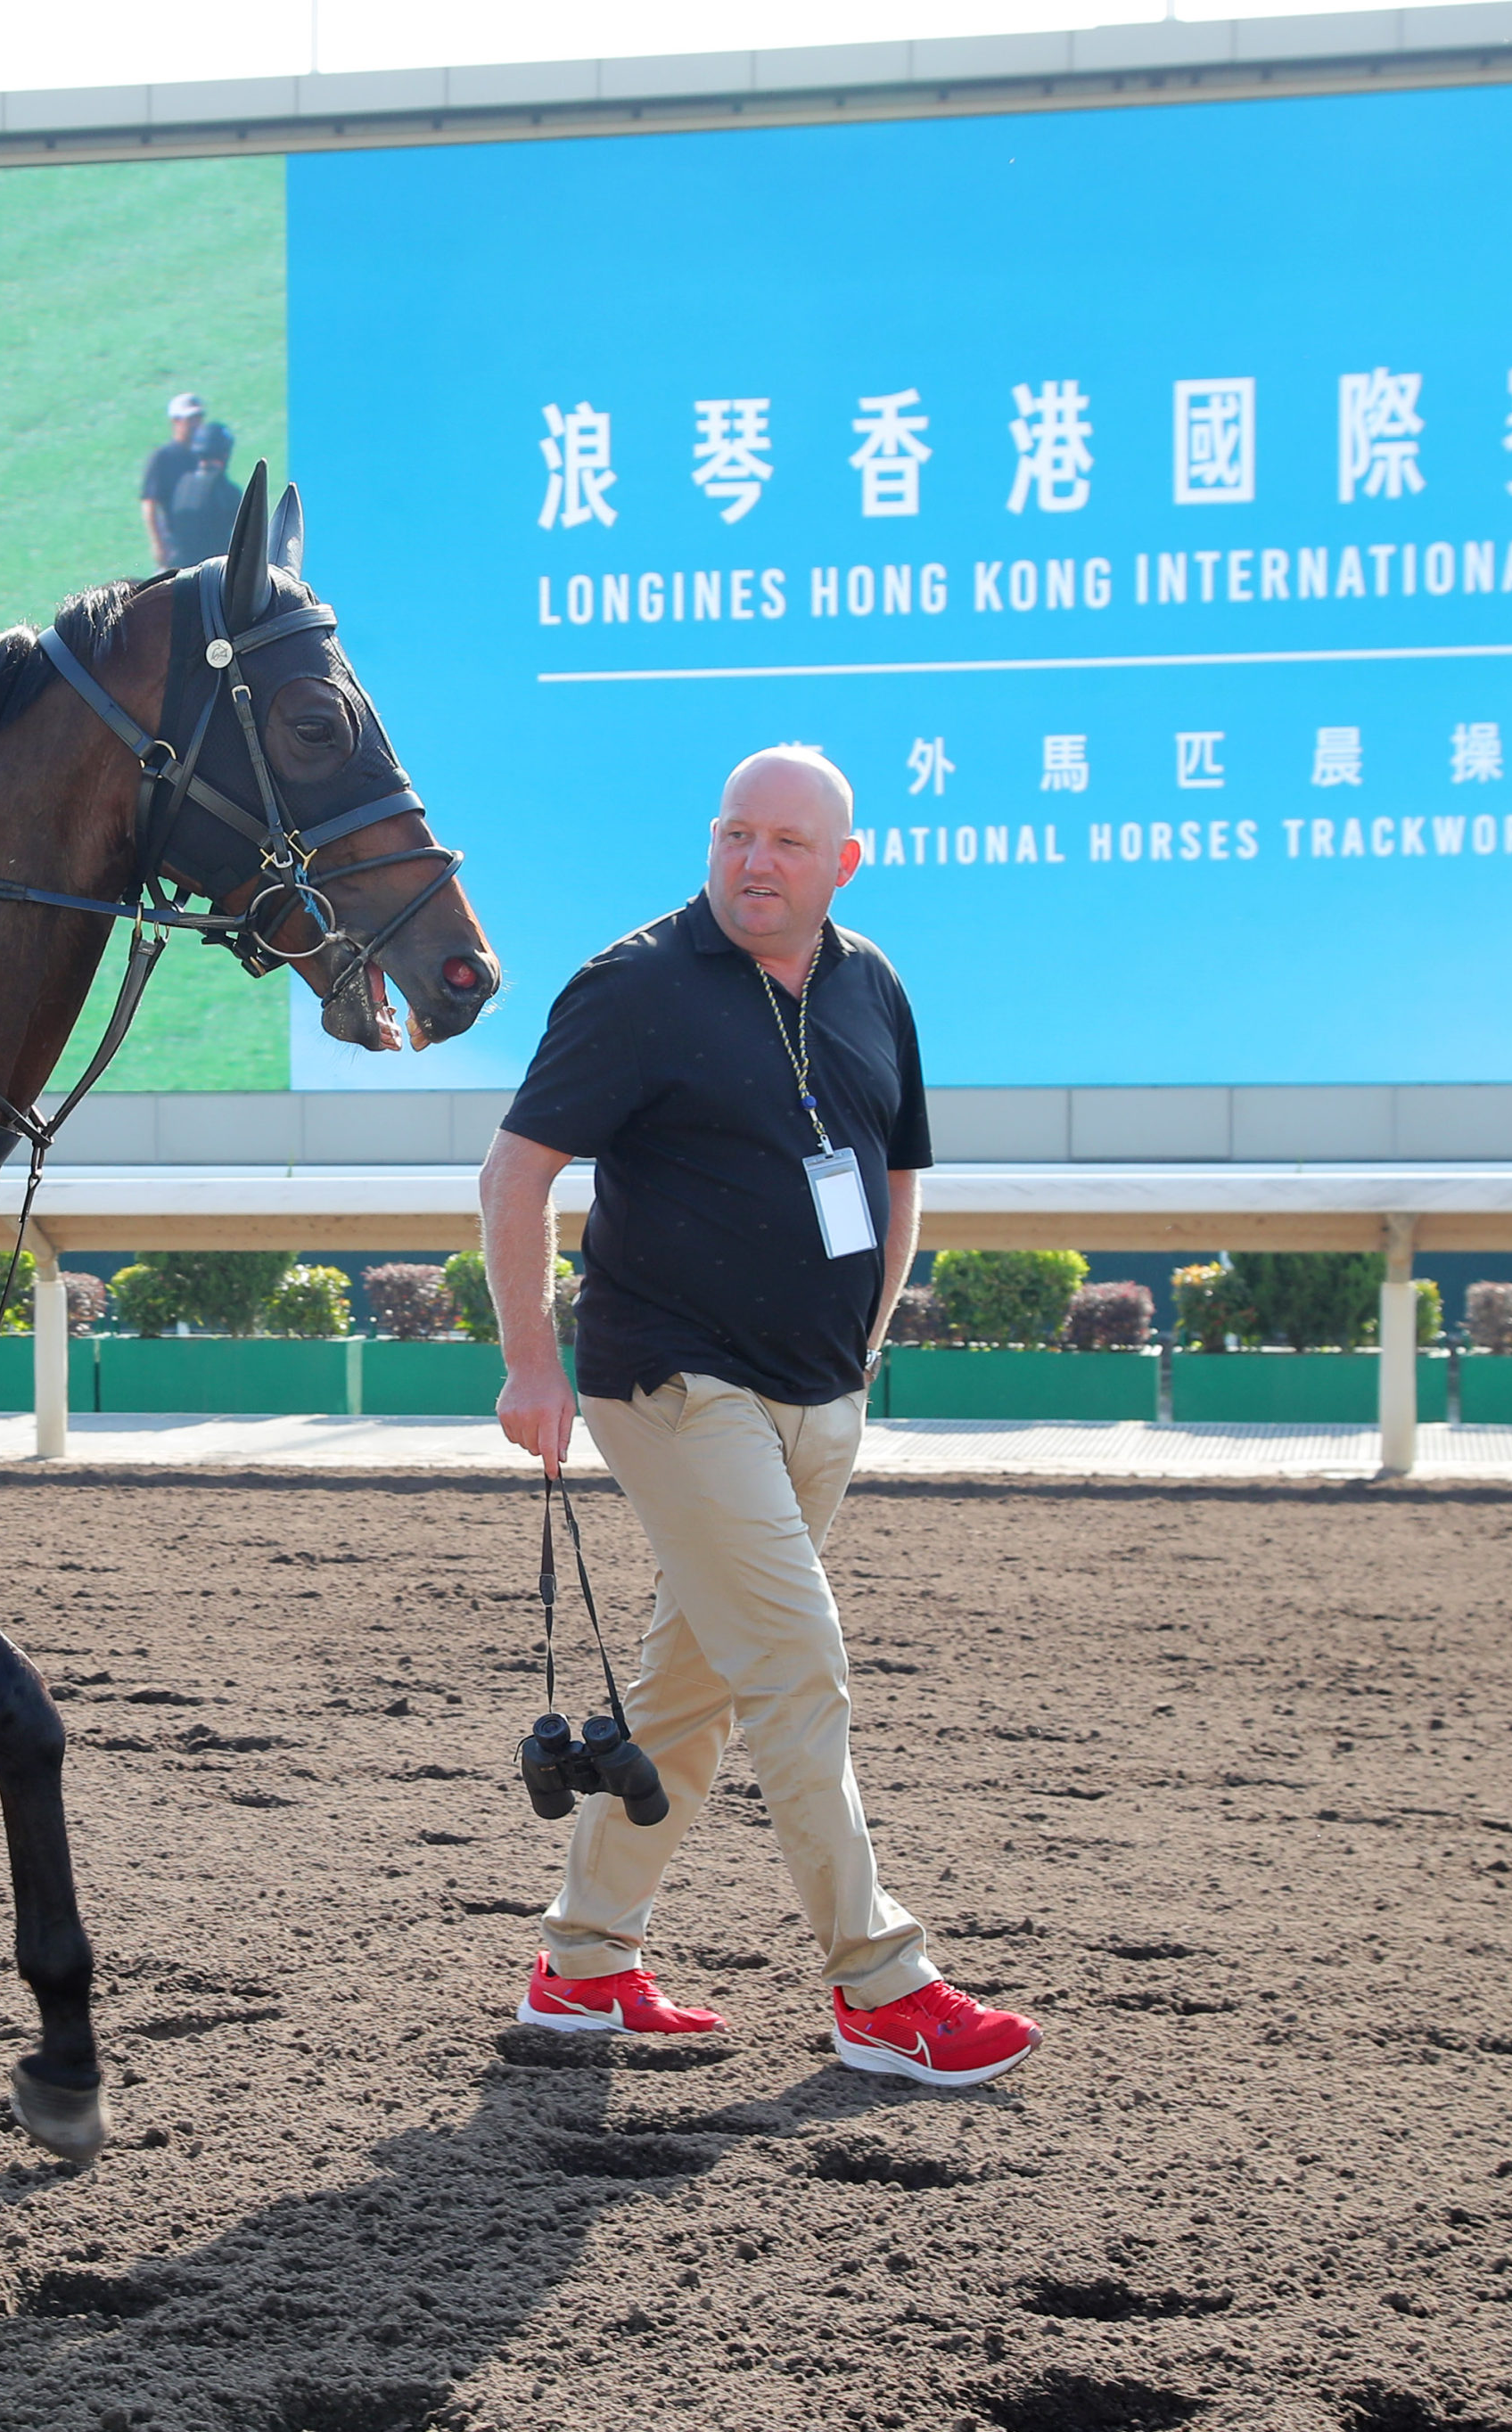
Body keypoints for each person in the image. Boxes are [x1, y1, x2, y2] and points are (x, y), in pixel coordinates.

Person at [475, 744, 1042, 2091]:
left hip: (816, 1393)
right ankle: (880, 1989)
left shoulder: (869, 983)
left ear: (842, 861)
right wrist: (527, 1362)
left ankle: (584, 1964)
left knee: (695, 1688)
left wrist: (861, 1346)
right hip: (669, 1385)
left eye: (786, 842)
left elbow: (895, 1174)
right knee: (797, 1667)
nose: (752, 861)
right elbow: (513, 1179)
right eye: (734, 833)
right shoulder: (631, 987)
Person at [137, 390, 206, 567]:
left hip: (204, 545)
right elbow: (150, 503)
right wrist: (158, 544)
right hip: (177, 547)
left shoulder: (203, 456)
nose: (196, 425)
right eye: (190, 419)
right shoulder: (163, 458)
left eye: (198, 418)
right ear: (175, 421)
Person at [164, 421, 243, 571]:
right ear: (225, 454)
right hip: (211, 575)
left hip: (177, 571)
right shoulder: (226, 490)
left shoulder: (183, 484)